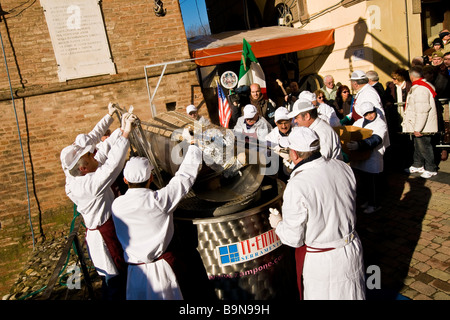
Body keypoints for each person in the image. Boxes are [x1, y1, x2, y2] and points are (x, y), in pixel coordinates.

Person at [268, 126, 366, 300]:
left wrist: (278, 224)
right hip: (352, 247)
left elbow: (293, 238)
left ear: (294, 154)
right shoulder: (342, 167)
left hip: (323, 260)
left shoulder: (297, 185)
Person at [60, 103, 137, 300]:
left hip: (108, 226)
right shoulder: (88, 186)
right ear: (84, 168)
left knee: (116, 277)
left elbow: (102, 149)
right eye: (90, 155)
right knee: (114, 280)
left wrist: (119, 129)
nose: (95, 155)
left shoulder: (77, 174)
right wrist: (126, 133)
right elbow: (111, 166)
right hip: (104, 234)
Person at [111, 139, 204, 300]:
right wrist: (194, 147)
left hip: (135, 273)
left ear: (125, 180)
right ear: (151, 178)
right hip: (163, 270)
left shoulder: (116, 206)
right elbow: (184, 177)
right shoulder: (159, 201)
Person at [346, 102, 389, 214]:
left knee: (372, 182)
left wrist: (359, 145)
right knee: (364, 181)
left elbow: (376, 139)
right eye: (367, 114)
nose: (370, 116)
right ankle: (368, 200)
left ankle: (374, 204)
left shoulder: (380, 124)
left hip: (373, 157)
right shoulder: (359, 122)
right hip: (360, 157)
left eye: (371, 113)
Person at [403, 66, 439, 178]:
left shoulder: (420, 89)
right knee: (418, 145)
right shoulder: (419, 87)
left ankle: (431, 168)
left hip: (423, 125)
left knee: (424, 146)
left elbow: (422, 110)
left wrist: (418, 128)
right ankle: (418, 164)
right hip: (419, 124)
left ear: (411, 76)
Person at [265, 107, 293, 183]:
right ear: (275, 122)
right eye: (280, 123)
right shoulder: (271, 137)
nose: (283, 126)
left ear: (290, 120)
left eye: (286, 122)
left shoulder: (298, 131)